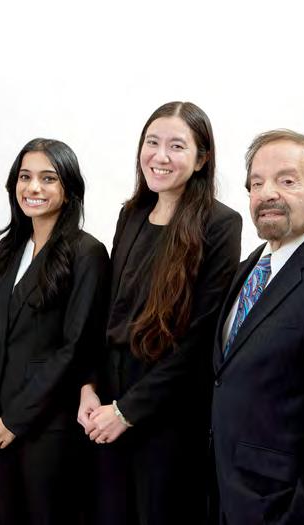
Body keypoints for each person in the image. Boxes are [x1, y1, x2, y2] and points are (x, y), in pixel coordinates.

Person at [78, 101, 242, 524]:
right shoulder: (131, 215)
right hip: (107, 408)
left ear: (201, 158)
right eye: (152, 142)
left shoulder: (221, 224)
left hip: (167, 416)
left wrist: (128, 411)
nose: (160, 156)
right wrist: (89, 387)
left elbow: (199, 339)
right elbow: (107, 314)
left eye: (177, 146)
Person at [211, 129, 304, 525]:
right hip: (231, 497)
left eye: (287, 181)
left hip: (281, 510)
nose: (267, 193)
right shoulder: (252, 267)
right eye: (257, 183)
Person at [0, 138, 110, 525]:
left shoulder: (87, 253)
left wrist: (14, 420)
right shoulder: (7, 250)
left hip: (48, 429)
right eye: (25, 177)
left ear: (69, 188)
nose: (34, 187)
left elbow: (75, 349)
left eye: (48, 178)